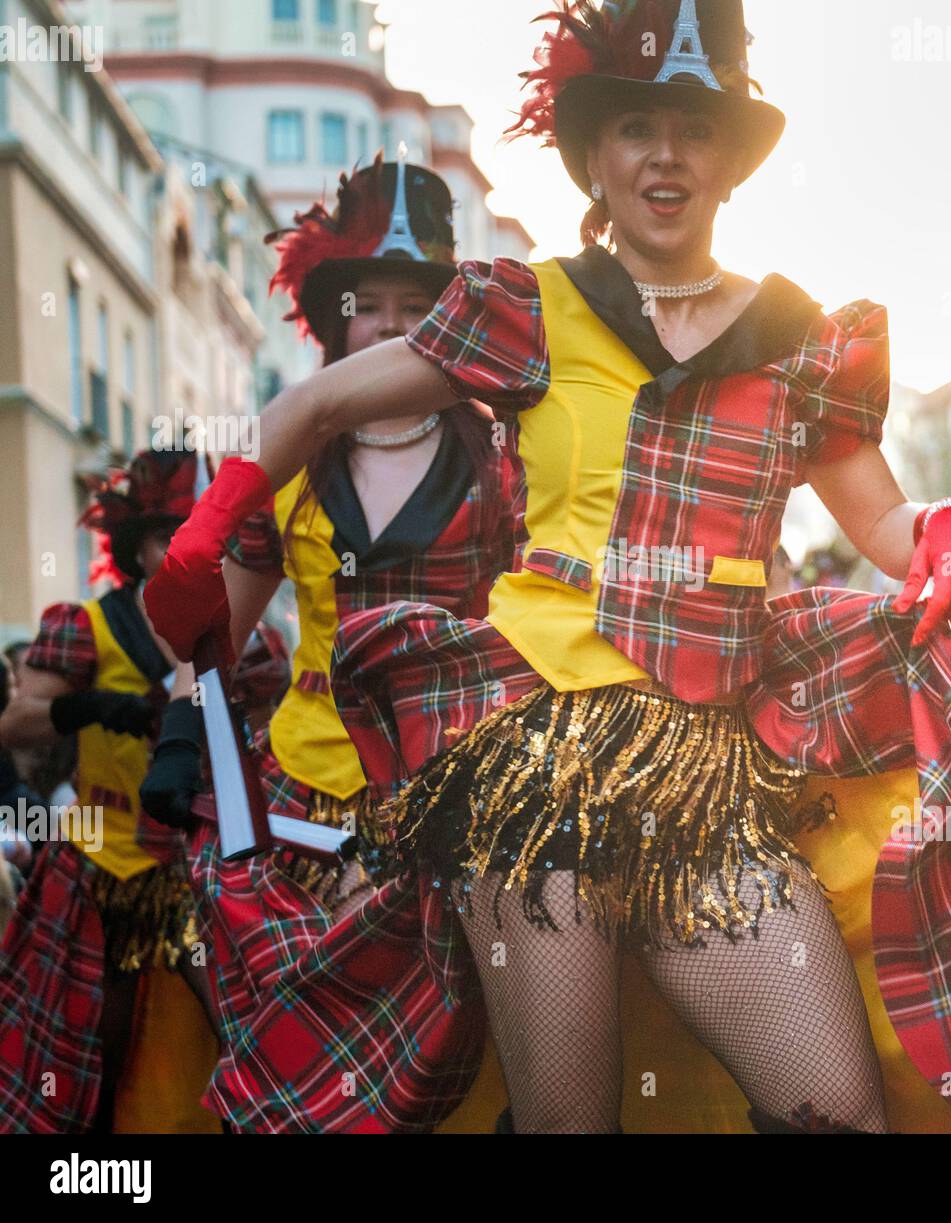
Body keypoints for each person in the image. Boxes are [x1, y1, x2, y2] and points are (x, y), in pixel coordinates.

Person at [145, 0, 951, 1134]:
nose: (665, 153)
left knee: (839, 1112)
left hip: (714, 783)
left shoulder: (797, 337)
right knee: (572, 1123)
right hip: (526, 767)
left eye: (694, 128)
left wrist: (950, 523)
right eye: (633, 128)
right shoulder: (531, 307)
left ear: (728, 163)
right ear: (595, 158)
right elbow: (318, 400)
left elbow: (887, 522)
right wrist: (210, 524)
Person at [137, 155, 521, 1133]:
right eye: (369, 303)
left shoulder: (504, 462)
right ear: (332, 320)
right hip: (300, 795)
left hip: (456, 780)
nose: (391, 327)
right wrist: (181, 706)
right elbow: (201, 634)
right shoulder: (289, 470)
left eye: (416, 304)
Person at [0, 451, 219, 1133]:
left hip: (196, 864)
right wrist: (90, 704)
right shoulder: (84, 625)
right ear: (147, 545)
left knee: (240, 1018)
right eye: (182, 534)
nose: (206, 549)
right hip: (103, 865)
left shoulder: (228, 626)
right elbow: (14, 723)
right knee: (96, 1040)